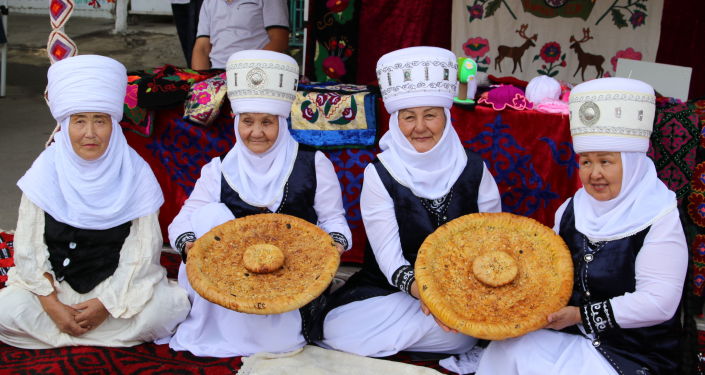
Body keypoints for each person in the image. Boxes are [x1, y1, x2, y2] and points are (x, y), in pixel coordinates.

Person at [476, 77, 688, 374]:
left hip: (635, 353)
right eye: (586, 162)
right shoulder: (573, 209)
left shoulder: (658, 217)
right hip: (575, 335)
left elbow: (659, 303)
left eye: (606, 161)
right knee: (506, 349)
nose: (594, 173)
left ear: (632, 162)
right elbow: (544, 266)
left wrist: (581, 315)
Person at [162, 49, 352, 357]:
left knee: (279, 344)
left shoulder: (314, 164)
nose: (256, 132)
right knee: (210, 215)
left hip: (292, 285)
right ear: (236, 122)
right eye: (248, 121)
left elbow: (334, 220)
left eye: (267, 122)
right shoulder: (218, 169)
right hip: (231, 287)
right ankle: (218, 325)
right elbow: (183, 221)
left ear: (282, 121)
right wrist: (192, 248)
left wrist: (333, 247)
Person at [319, 46, 502, 357]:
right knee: (337, 326)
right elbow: (389, 258)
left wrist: (455, 301)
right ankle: (424, 338)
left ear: (445, 117)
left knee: (462, 333)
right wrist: (428, 297)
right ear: (396, 121)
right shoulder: (381, 174)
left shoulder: (474, 169)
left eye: (430, 115)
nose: (420, 127)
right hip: (391, 291)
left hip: (457, 294)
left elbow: (492, 242)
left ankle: (402, 342)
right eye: (409, 117)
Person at [0, 55, 190, 349]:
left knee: (171, 307)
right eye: (79, 121)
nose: (89, 134)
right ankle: (79, 329)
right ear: (65, 123)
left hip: (115, 294)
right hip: (56, 291)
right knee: (6, 309)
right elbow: (29, 247)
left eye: (99, 121)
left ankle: (63, 334)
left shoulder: (135, 172)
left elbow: (141, 254)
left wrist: (105, 305)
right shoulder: (46, 168)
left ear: (113, 124)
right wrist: (52, 304)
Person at [191, 0, 289, 70]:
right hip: (218, 76)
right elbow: (202, 48)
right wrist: (201, 83)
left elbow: (280, 40)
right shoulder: (208, 2)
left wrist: (249, 72)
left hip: (255, 74)